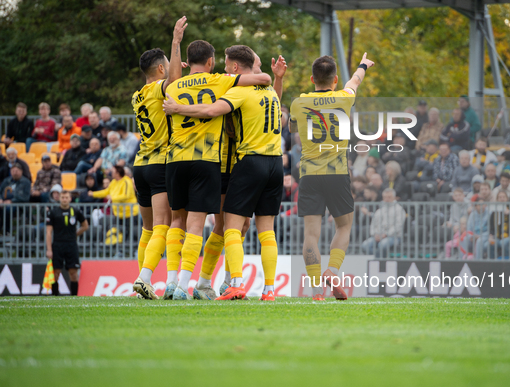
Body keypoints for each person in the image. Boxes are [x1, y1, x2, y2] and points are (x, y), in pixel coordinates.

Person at [163, 44, 285, 301]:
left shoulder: (238, 87)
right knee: (226, 225)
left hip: (239, 164)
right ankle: (211, 281)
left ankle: (219, 281)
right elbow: (212, 109)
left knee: (236, 226)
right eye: (259, 66)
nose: (261, 71)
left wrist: (276, 80)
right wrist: (275, 80)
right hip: (224, 163)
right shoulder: (229, 85)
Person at [289, 52, 373, 301]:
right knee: (344, 225)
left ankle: (316, 291)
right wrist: (362, 66)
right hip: (337, 173)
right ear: (335, 79)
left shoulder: (298, 103)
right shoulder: (344, 98)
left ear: (312, 79)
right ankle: (333, 271)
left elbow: (293, 126)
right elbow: (354, 82)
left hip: (310, 175)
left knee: (311, 234)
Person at [127, 17, 187, 301]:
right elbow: (173, 84)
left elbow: (170, 80)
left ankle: (141, 285)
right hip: (160, 162)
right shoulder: (160, 88)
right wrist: (176, 41)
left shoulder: (138, 95)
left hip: (139, 165)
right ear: (161, 68)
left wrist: (174, 66)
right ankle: (144, 277)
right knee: (164, 225)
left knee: (148, 228)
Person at [45, 190, 89, 296]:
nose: (64, 199)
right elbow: (48, 232)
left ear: (70, 199)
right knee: (56, 273)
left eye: (66, 197)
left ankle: (74, 297)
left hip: (71, 245)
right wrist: (49, 249)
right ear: (59, 198)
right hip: (57, 245)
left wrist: (75, 235)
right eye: (62, 197)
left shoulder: (76, 211)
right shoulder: (53, 212)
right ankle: (55, 296)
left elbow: (85, 225)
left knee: (73, 273)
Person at [88, 165, 139, 241]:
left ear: (117, 173)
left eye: (112, 171)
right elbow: (106, 192)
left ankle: (134, 251)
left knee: (130, 236)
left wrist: (112, 198)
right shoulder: (114, 182)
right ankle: (120, 251)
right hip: (118, 214)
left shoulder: (126, 181)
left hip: (130, 213)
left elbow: (126, 195)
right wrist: (93, 194)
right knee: (119, 234)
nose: (111, 172)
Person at [361, 189, 406, 257]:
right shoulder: (379, 210)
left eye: (389, 197)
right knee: (365, 245)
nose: (387, 199)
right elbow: (373, 224)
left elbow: (398, 226)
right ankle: (376, 259)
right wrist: (375, 234)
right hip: (377, 236)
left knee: (382, 245)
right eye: (385, 197)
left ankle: (380, 261)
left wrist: (386, 234)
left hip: (393, 237)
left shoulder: (399, 209)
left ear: (394, 197)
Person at [0, 164, 31, 233]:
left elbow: (25, 197)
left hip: (19, 205)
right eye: (13, 170)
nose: (15, 172)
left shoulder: (26, 182)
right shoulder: (6, 181)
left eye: (17, 171)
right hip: (4, 203)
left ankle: (7, 231)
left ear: (21, 171)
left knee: (7, 209)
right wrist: (0, 199)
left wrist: (12, 201)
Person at [487, 190, 510, 259]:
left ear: (507, 198)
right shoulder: (495, 211)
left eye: (503, 197)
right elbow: (491, 227)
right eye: (500, 197)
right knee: (490, 244)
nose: (502, 199)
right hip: (498, 237)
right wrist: (491, 236)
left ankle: (507, 262)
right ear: (497, 200)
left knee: (504, 243)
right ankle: (493, 263)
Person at [466, 194, 489, 260]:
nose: (481, 206)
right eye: (479, 205)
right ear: (476, 206)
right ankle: (463, 259)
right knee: (464, 239)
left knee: (479, 241)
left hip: (485, 236)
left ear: (485, 205)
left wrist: (479, 236)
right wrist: (471, 236)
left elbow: (491, 230)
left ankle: (478, 261)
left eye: (483, 204)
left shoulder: (489, 214)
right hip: (474, 236)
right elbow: (469, 229)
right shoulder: (472, 215)